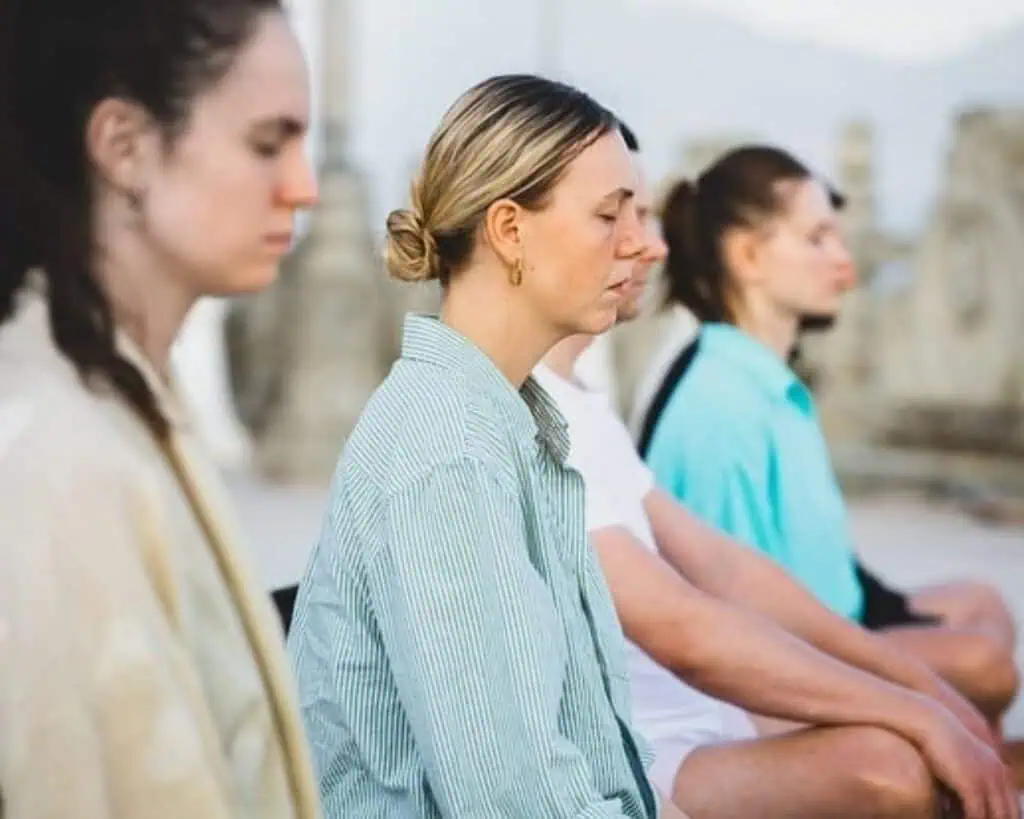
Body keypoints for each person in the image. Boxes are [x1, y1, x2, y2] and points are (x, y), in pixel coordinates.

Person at [536, 125, 1018, 819]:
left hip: (702, 697)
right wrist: (910, 702)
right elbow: (697, 621)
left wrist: (916, 693)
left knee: (973, 636)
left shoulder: (585, 403)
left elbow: (731, 571)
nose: (652, 244)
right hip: (659, 731)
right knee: (917, 742)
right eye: (614, 216)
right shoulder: (705, 403)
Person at [287, 75, 685, 818]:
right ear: (509, 230)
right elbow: (516, 801)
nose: (637, 243)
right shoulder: (448, 454)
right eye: (609, 214)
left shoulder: (506, 426)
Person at [0, 1, 321, 817]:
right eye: (266, 143)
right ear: (126, 146)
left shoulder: (128, 400)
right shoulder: (62, 454)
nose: (304, 187)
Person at [638, 146, 1018, 724]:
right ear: (747, 255)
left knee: (984, 601)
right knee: (983, 663)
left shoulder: (764, 378)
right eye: (817, 238)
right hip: (790, 655)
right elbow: (732, 613)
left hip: (839, 618)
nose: (845, 261)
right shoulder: (718, 403)